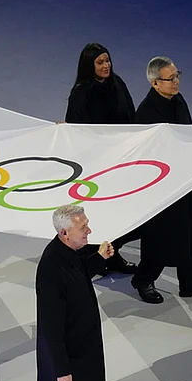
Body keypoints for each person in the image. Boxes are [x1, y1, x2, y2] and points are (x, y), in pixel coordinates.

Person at [36, 204, 143, 381]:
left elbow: (81, 272)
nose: (89, 231)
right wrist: (61, 370)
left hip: (81, 346)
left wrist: (98, 258)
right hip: (70, 354)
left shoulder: (68, 253)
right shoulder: (51, 268)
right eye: (83, 228)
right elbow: (50, 325)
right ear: (64, 232)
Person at [130, 56, 192, 304]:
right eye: (170, 78)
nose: (176, 81)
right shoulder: (147, 112)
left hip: (188, 176)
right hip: (165, 183)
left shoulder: (177, 100)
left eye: (177, 75)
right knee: (162, 236)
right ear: (155, 83)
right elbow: (146, 154)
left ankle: (190, 281)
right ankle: (144, 278)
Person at [65, 42, 137, 274]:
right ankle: (95, 258)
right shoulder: (81, 93)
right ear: (89, 66)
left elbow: (132, 117)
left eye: (108, 61)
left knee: (123, 212)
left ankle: (111, 254)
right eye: (100, 62)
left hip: (122, 159)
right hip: (97, 165)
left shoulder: (118, 84)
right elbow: (76, 132)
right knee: (99, 214)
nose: (106, 66)